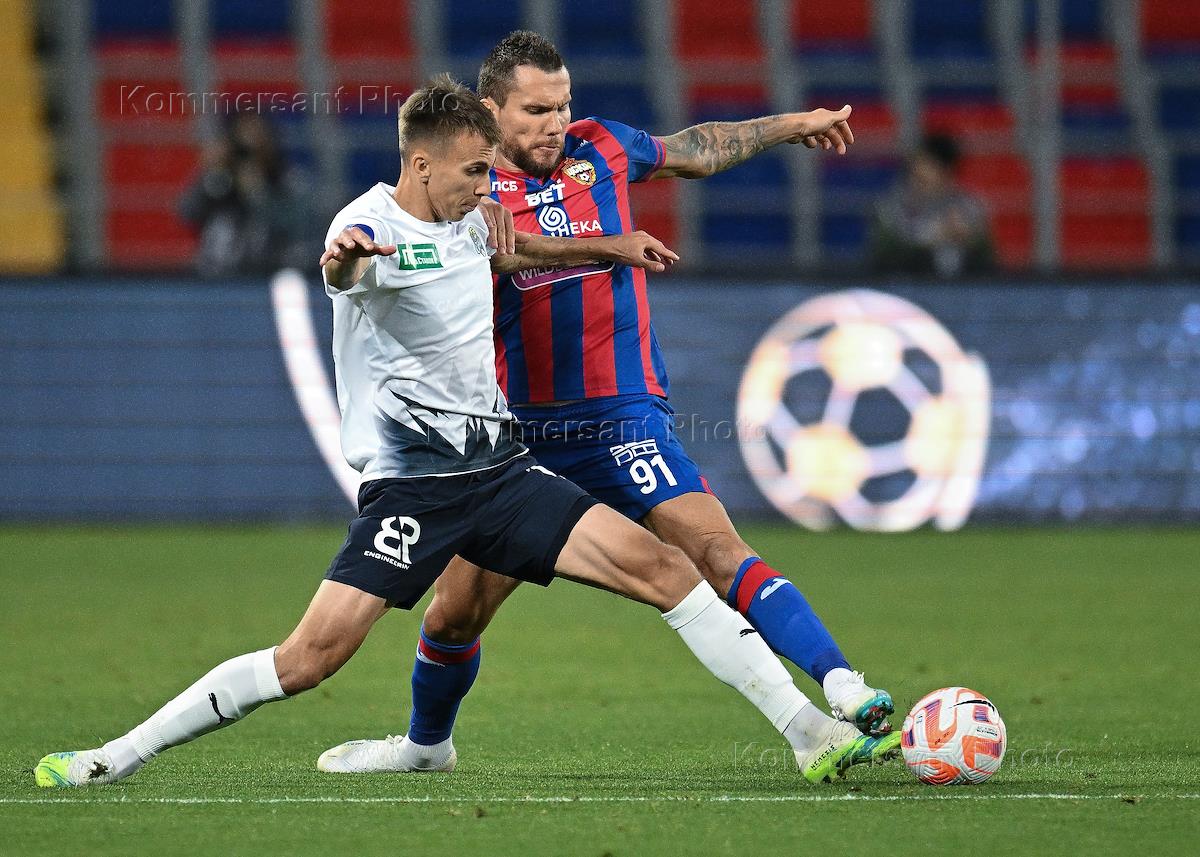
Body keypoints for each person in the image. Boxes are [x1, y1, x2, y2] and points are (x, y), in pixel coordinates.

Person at [34, 76, 900, 790]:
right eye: (476, 172)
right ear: (421, 164)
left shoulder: (471, 219)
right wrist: (347, 256)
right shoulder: (371, 230)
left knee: (667, 568)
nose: (490, 187)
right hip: (414, 492)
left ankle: (810, 732)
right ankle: (115, 755)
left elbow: (508, 251)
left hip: (504, 471)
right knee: (308, 659)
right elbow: (344, 268)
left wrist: (607, 247)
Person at [318, 32, 897, 778]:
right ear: (491, 111)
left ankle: (842, 685)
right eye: (535, 110)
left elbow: (697, 148)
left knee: (714, 549)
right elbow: (462, 254)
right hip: (514, 435)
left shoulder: (605, 148)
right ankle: (427, 747)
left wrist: (792, 124)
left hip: (620, 414)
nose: (555, 123)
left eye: (562, 106)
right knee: (455, 613)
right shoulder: (468, 195)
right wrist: (598, 243)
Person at [180, 111, 311, 276]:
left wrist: (258, 194)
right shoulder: (221, 178)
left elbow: (298, 223)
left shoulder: (286, 178)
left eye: (259, 139)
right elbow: (189, 213)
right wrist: (214, 175)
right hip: (217, 273)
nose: (251, 150)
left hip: (269, 270)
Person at [868, 133, 995, 277]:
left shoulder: (968, 207)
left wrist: (970, 240)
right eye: (916, 172)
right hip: (906, 284)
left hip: (963, 287)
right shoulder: (891, 208)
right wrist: (926, 238)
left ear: (946, 172)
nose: (919, 175)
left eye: (929, 167)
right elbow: (882, 256)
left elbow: (988, 260)